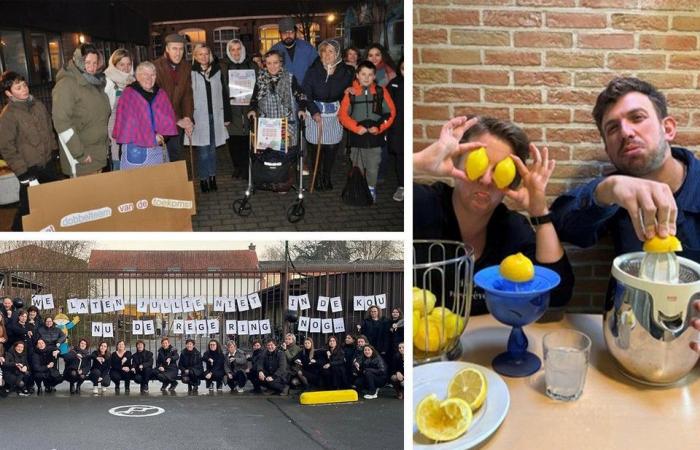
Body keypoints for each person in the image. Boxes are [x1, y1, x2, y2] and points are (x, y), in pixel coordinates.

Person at [546, 77, 700, 352]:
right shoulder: (616, 193)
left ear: (668, 128)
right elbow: (563, 224)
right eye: (613, 128)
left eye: (637, 118)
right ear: (608, 149)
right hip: (632, 343)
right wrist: (606, 190)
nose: (626, 132)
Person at [413, 116, 574, 314]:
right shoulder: (421, 205)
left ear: (512, 182)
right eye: (477, 164)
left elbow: (558, 295)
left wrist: (540, 212)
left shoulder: (511, 229)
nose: (487, 180)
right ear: (456, 161)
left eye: (500, 172)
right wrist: (419, 162)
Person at [0, 71, 60, 230]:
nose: (24, 89)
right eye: (18, 87)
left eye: (24, 85)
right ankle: (15, 236)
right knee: (27, 207)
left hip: (47, 163)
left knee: (54, 200)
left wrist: (54, 150)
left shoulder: (38, 105)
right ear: (8, 93)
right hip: (28, 169)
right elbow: (6, 146)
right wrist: (22, 172)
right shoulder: (8, 115)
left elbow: (49, 128)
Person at [338, 61, 397, 203]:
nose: (366, 77)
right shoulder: (350, 93)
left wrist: (380, 128)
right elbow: (343, 115)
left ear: (374, 76)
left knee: (373, 165)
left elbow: (391, 113)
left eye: (370, 75)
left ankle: (371, 188)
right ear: (357, 75)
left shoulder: (381, 91)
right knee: (357, 165)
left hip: (375, 137)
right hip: (357, 137)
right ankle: (358, 189)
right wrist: (356, 128)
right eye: (363, 74)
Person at [302, 38, 354, 192]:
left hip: (334, 113)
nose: (327, 54)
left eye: (331, 51)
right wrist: (314, 111)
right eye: (324, 51)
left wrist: (349, 93)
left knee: (331, 147)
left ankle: (326, 176)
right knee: (316, 147)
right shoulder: (313, 71)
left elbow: (351, 90)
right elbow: (306, 93)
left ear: (337, 53)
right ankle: (317, 177)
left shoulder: (346, 71)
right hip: (315, 113)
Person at [52, 43, 111, 177]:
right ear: (78, 61)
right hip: (82, 158)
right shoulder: (66, 84)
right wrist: (79, 154)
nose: (91, 67)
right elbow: (62, 122)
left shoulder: (95, 82)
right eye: (87, 62)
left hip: (98, 153)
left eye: (95, 63)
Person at [112, 61, 178, 170]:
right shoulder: (129, 94)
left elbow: (168, 119)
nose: (149, 78)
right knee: (138, 184)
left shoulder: (160, 93)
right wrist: (152, 137)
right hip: (136, 149)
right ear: (137, 76)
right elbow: (130, 123)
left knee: (158, 182)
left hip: (158, 148)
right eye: (145, 74)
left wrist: (164, 135)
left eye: (152, 75)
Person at [190, 44, 231, 193]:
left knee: (213, 150)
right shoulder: (191, 73)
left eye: (206, 54)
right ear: (195, 56)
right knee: (203, 151)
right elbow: (187, 97)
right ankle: (203, 179)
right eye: (200, 54)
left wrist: (227, 116)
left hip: (216, 115)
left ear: (210, 55)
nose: (203, 57)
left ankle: (212, 177)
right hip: (199, 117)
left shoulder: (217, 71)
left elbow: (224, 94)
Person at [247, 50, 307, 152]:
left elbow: (301, 96)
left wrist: (301, 109)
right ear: (265, 64)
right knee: (269, 155)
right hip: (268, 126)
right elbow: (254, 99)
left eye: (275, 62)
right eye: (269, 63)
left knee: (286, 155)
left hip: (286, 124)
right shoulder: (260, 79)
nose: (272, 66)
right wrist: (252, 109)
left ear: (281, 63)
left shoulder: (290, 78)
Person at [153, 33, 194, 162]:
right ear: (167, 49)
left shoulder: (186, 67)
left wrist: (187, 117)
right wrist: (177, 119)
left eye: (181, 49)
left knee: (176, 156)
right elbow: (156, 100)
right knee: (162, 158)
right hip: (160, 122)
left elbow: (187, 94)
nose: (178, 53)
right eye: (174, 49)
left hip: (178, 124)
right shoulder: (155, 67)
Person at [223, 39, 258, 179]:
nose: (236, 52)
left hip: (248, 108)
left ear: (242, 49)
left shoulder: (252, 65)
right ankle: (237, 166)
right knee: (234, 141)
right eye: (232, 49)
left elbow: (258, 86)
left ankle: (247, 166)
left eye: (238, 49)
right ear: (229, 51)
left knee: (248, 139)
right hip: (232, 109)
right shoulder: (223, 66)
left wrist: (254, 104)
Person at [104, 48, 134, 170]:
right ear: (114, 65)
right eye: (122, 64)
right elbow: (105, 113)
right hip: (115, 137)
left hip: (132, 135)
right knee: (119, 169)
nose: (126, 68)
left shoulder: (133, 81)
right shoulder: (109, 83)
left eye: (128, 64)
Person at [270, 17, 318, 86]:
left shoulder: (307, 48)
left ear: (295, 32)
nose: (288, 35)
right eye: (284, 32)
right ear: (280, 33)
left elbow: (317, 69)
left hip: (305, 90)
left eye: (291, 32)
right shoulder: (274, 50)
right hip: (284, 92)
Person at [387, 58, 404, 202]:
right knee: (400, 156)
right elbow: (387, 105)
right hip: (397, 126)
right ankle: (402, 185)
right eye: (403, 69)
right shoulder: (395, 83)